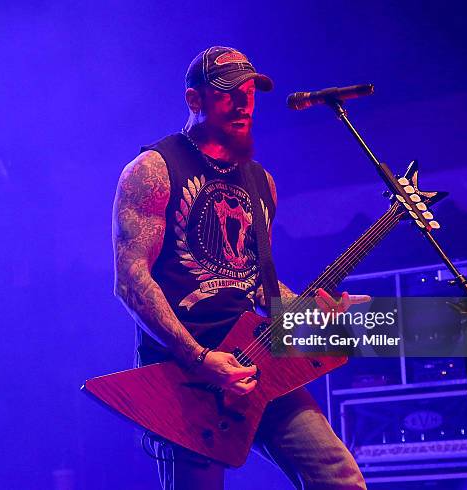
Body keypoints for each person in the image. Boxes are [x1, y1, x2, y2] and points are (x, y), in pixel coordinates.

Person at [112, 46, 367, 490]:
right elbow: (131, 281)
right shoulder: (154, 169)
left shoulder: (259, 181)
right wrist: (200, 357)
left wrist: (308, 312)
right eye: (229, 93)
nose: (245, 104)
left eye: (250, 93)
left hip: (258, 360)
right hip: (185, 374)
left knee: (339, 477)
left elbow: (253, 279)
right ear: (195, 100)